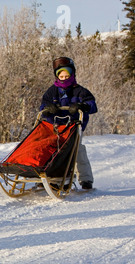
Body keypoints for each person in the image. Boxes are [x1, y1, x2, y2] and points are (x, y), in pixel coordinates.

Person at [40, 57, 98, 189]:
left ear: (72, 74)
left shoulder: (80, 91)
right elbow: (43, 106)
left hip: (74, 126)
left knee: (77, 151)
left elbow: (92, 105)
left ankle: (86, 179)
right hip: (55, 127)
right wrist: (48, 109)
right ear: (57, 76)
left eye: (67, 75)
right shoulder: (52, 91)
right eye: (61, 76)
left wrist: (82, 106)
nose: (64, 78)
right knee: (52, 150)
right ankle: (51, 176)